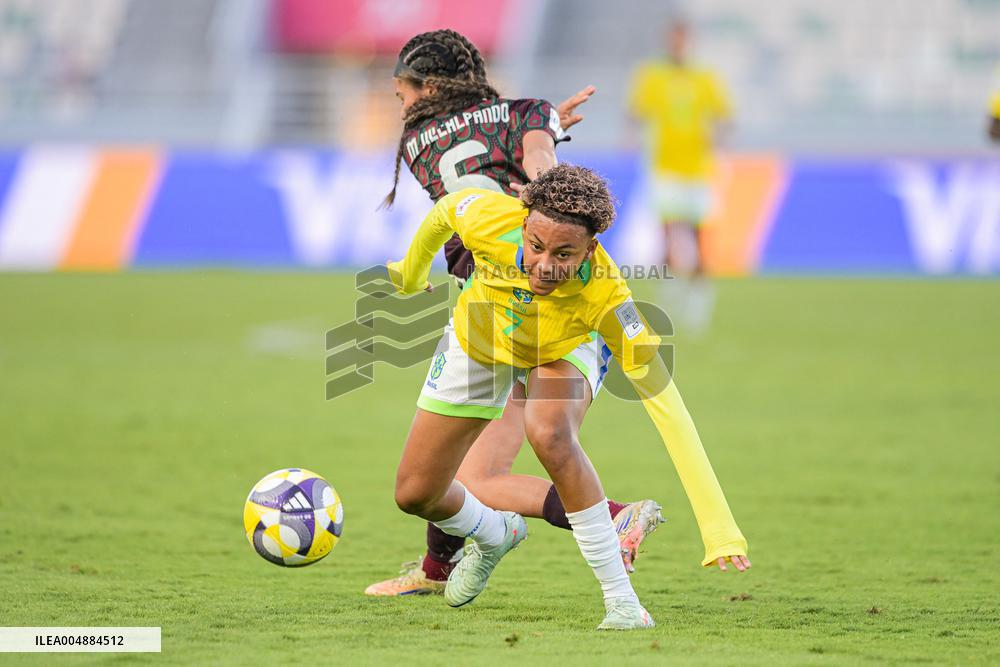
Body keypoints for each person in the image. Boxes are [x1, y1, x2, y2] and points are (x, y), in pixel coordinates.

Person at [386, 165, 750, 630]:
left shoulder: (607, 295)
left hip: (562, 347)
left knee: (550, 432)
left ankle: (622, 603)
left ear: (590, 249)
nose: (544, 266)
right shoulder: (486, 217)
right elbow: (443, 213)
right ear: (522, 225)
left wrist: (719, 528)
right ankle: (494, 533)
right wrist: (410, 273)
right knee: (416, 493)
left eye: (564, 254)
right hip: (479, 336)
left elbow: (668, 408)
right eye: (535, 246)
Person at [366, 29, 663, 598]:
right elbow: (539, 163)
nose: (398, 100)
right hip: (558, 285)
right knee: (477, 464)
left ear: (428, 87)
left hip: (498, 290)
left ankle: (610, 516)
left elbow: (474, 190)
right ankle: (438, 569)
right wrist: (549, 129)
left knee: (473, 470)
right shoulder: (523, 113)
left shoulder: (417, 142)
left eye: (401, 90)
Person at [628, 19, 732, 335]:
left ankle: (699, 304)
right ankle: (668, 301)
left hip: (698, 170)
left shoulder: (705, 77)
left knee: (699, 239)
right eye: (673, 40)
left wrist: (718, 138)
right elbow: (636, 113)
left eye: (682, 40)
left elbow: (723, 116)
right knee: (667, 237)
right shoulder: (652, 76)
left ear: (690, 42)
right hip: (665, 169)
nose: (677, 45)